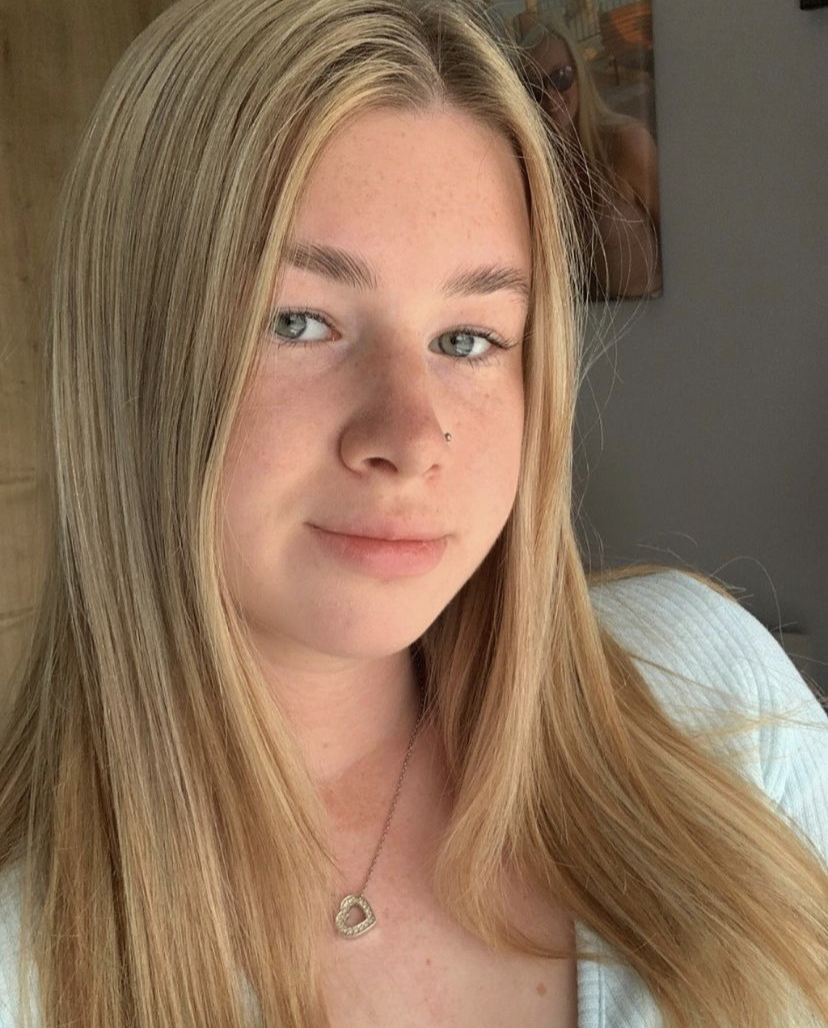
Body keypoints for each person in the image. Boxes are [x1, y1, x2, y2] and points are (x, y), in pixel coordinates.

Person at [0, 0, 825, 1026]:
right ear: (126, 361)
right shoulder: (25, 957)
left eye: (469, 338)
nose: (411, 434)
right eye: (297, 321)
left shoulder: (714, 703)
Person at [513, 12, 663, 299]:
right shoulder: (534, 174)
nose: (551, 98)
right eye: (534, 89)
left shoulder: (627, 144)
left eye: (561, 77)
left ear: (579, 72)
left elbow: (685, 246)